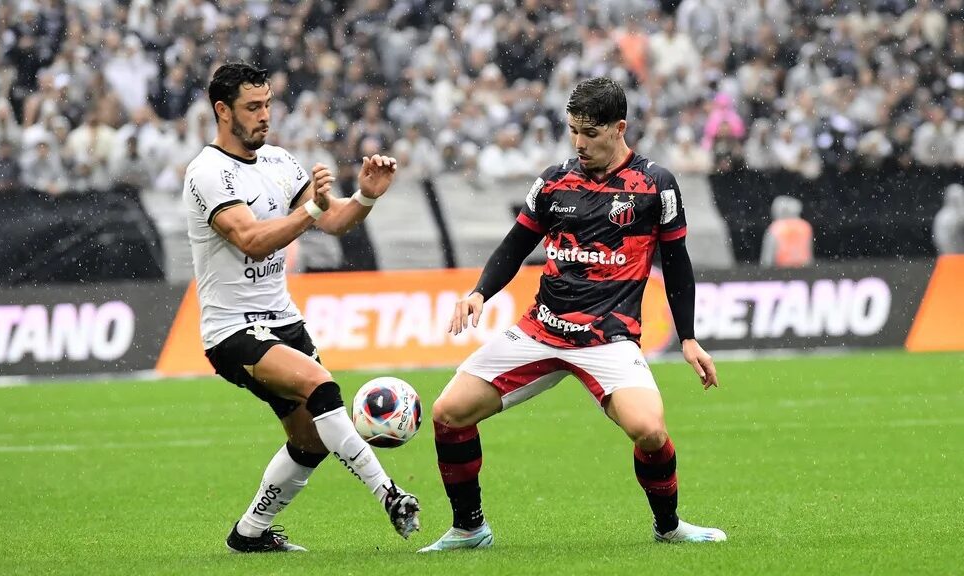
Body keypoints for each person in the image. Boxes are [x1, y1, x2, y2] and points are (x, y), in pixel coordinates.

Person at [419, 77, 726, 553]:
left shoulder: (655, 185)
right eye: (573, 131)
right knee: (448, 413)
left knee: (649, 432)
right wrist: (480, 292)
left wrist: (688, 337)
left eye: (590, 132)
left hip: (609, 339)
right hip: (542, 330)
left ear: (619, 128)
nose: (579, 143)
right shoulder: (553, 181)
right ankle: (469, 528)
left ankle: (669, 527)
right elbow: (515, 246)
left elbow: (678, 262)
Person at [182, 62, 419, 553]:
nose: (264, 116)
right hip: (231, 331)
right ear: (222, 111)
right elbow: (250, 240)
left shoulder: (280, 162)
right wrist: (308, 210)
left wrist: (365, 197)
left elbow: (331, 222)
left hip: (284, 320)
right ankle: (390, 495)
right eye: (252, 107)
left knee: (311, 440)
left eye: (267, 104)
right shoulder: (208, 173)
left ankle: (249, 534)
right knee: (320, 385)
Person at [760, 195, 814, 268]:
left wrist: (765, 270)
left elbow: (767, 258)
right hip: (803, 270)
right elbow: (809, 254)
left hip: (781, 271)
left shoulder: (776, 228)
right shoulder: (805, 227)